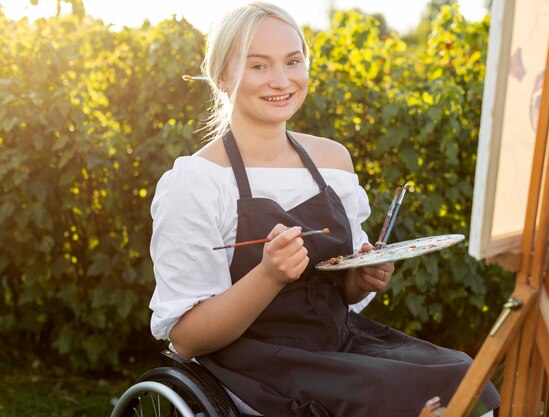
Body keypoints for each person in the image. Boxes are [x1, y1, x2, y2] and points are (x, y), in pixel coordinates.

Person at [148, 2, 500, 416]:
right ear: (222, 75)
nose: (281, 80)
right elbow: (188, 338)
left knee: (462, 373)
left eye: (293, 61)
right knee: (393, 394)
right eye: (258, 65)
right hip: (256, 362)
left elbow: (339, 291)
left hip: (338, 345)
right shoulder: (197, 182)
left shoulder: (332, 162)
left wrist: (360, 279)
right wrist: (268, 276)